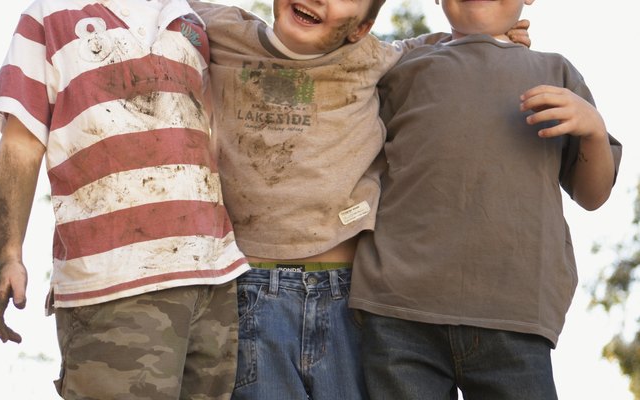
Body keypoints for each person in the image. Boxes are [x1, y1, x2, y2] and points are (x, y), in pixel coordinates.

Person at [187, 1, 529, 399]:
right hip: (251, 294)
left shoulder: (371, 58)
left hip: (348, 297)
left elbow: (440, 47)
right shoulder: (224, 31)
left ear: (360, 29)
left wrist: (492, 39)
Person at [349, 0, 623, 399]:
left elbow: (592, 195)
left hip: (515, 316)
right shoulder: (399, 70)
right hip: (397, 311)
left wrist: (594, 130)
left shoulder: (555, 72)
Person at [0, 0, 250, 399]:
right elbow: (21, 144)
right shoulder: (51, 15)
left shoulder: (191, 21)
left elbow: (213, 138)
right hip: (112, 282)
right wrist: (8, 254)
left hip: (214, 278)